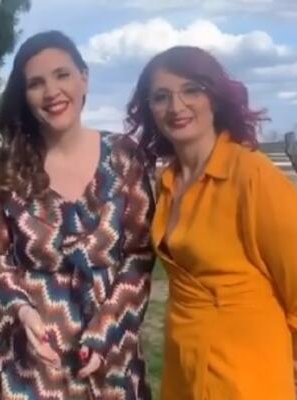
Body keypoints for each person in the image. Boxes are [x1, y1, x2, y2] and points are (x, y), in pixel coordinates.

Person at [0, 30, 155, 400]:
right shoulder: (4, 167)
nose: (52, 92)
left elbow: (139, 256)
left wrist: (106, 330)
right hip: (32, 360)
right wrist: (21, 311)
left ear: (83, 78)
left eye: (62, 75)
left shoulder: (125, 157)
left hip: (110, 358)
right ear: (24, 95)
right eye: (36, 83)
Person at [126, 45, 297, 400]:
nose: (176, 107)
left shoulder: (251, 174)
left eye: (191, 90)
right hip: (184, 367)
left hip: (245, 374)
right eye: (161, 97)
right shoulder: (168, 181)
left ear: (214, 98)